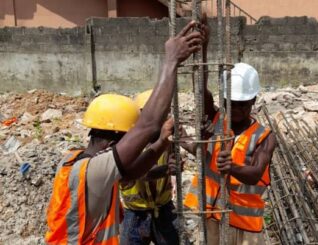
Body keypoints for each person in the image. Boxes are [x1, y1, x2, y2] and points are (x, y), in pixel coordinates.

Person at [45, 20, 205, 244]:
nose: (135, 142)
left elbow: (131, 173)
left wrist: (160, 144)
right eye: (128, 138)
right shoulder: (96, 171)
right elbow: (148, 123)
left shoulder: (75, 161)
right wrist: (171, 61)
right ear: (112, 143)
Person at [184, 17, 276, 245]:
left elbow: (255, 173)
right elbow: (200, 88)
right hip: (211, 216)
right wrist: (203, 49)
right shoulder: (216, 120)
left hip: (244, 226)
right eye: (230, 102)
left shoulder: (265, 136)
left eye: (242, 103)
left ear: (253, 101)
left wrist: (231, 167)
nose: (235, 109)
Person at [119, 89, 181, 245]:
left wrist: (176, 166)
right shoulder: (130, 142)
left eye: (162, 114)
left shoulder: (169, 138)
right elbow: (140, 173)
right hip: (135, 212)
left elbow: (174, 160)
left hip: (163, 207)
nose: (157, 120)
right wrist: (167, 169)